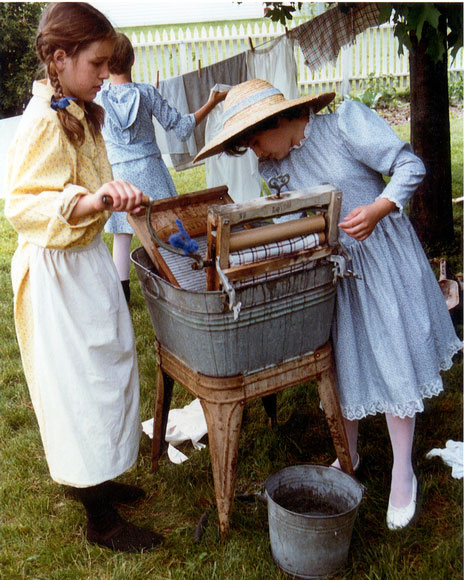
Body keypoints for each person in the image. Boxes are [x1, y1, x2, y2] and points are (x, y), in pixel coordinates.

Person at [194, 78, 462, 530]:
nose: (258, 154)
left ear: (278, 120)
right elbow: (292, 220)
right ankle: (349, 451)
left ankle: (403, 471)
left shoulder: (344, 128)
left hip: (382, 261)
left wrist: (378, 208)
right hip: (334, 274)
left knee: (394, 354)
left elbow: (409, 166)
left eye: (257, 141)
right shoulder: (276, 167)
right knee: (343, 360)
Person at [4, 2, 162, 552]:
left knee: (108, 367)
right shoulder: (44, 119)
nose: (104, 73)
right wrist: (91, 199)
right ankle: (100, 520)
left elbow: (92, 182)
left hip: (84, 260)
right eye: (97, 63)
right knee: (80, 388)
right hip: (57, 272)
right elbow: (22, 204)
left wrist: (113, 192)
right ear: (60, 57)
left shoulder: (79, 108)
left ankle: (101, 477)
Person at [98, 32, 228, 302]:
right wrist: (212, 103)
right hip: (151, 172)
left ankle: (122, 297)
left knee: (122, 237)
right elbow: (181, 128)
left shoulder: (97, 100)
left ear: (106, 64)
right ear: (133, 59)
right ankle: (183, 280)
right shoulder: (146, 93)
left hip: (119, 176)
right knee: (168, 228)